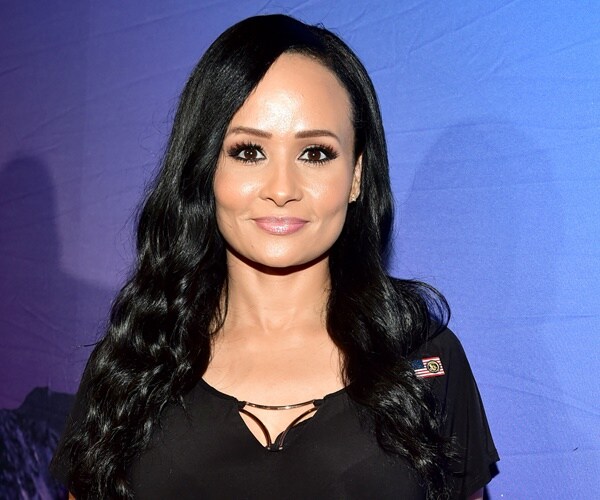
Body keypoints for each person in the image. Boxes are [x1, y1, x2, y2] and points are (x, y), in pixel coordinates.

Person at [51, 14, 499, 499]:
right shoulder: (133, 362)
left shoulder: (425, 358)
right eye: (248, 152)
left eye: (316, 153)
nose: (282, 189)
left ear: (356, 175)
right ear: (205, 167)